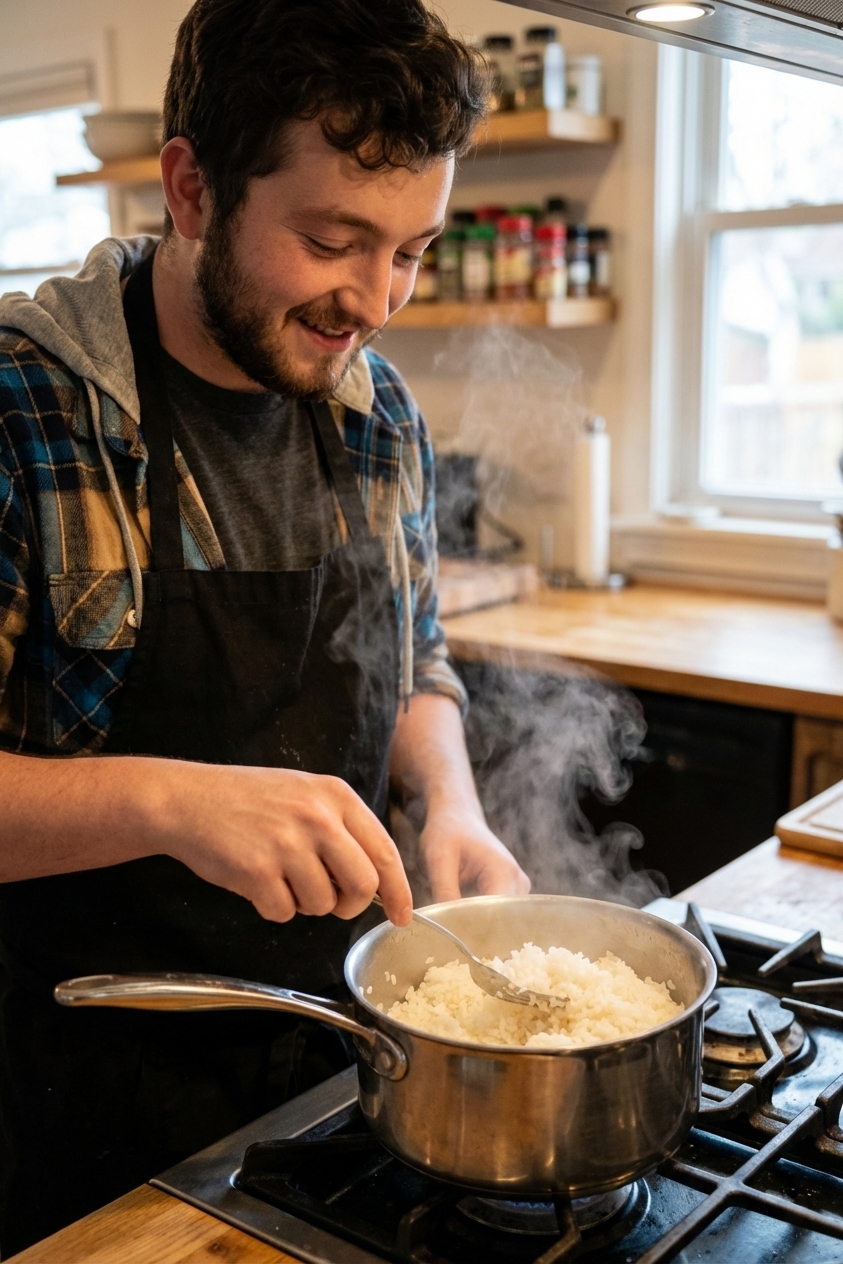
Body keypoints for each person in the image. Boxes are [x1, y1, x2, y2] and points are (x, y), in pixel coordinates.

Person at [0, 0, 529, 1250]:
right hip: (76, 1096)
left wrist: (449, 802)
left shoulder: (375, 408)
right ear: (191, 187)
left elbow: (417, 657)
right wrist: (173, 802)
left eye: (411, 249)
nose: (379, 301)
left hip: (329, 1075)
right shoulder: (27, 412)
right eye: (336, 239)